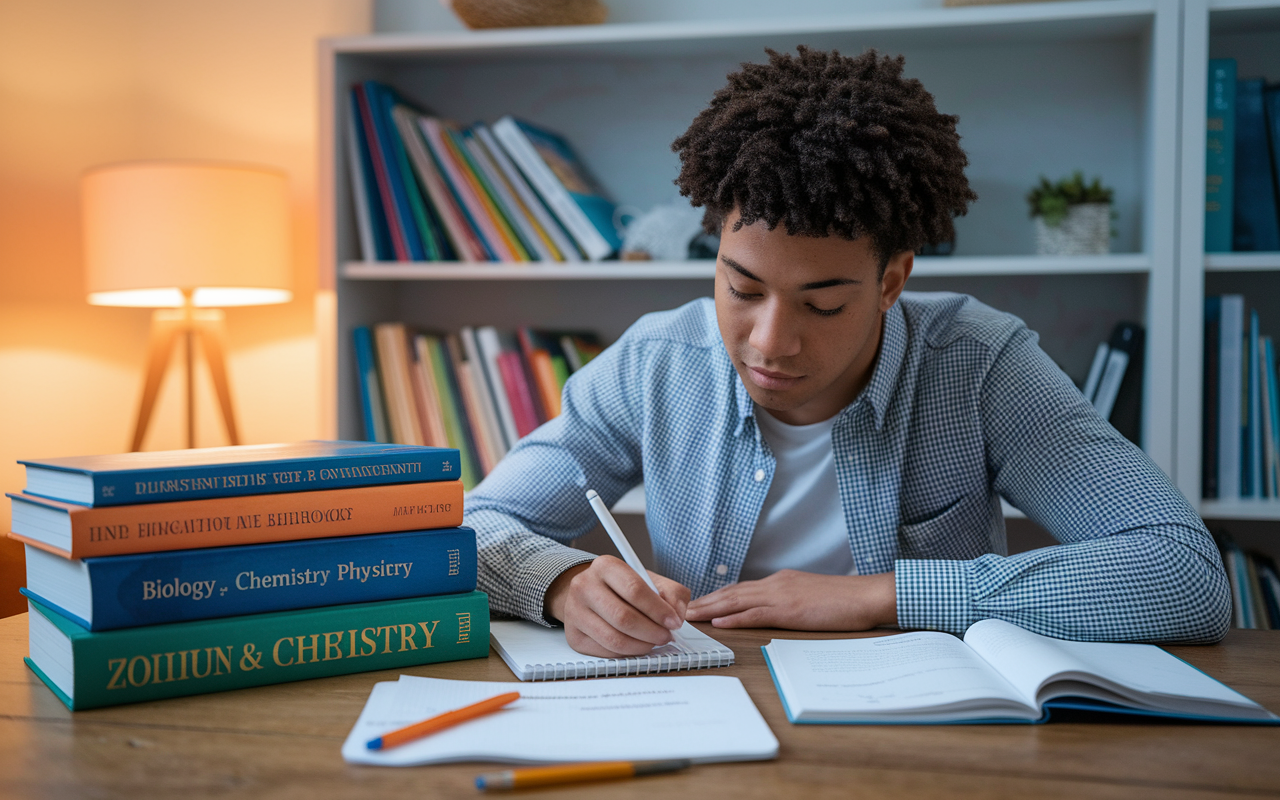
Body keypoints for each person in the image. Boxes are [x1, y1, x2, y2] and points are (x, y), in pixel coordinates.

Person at [463, 47, 1230, 658]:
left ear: (893, 279)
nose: (768, 342)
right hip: (709, 721)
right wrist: (562, 583)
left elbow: (1183, 573)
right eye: (742, 288)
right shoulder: (655, 364)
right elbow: (474, 527)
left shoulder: (980, 363)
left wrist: (884, 595)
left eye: (823, 303)